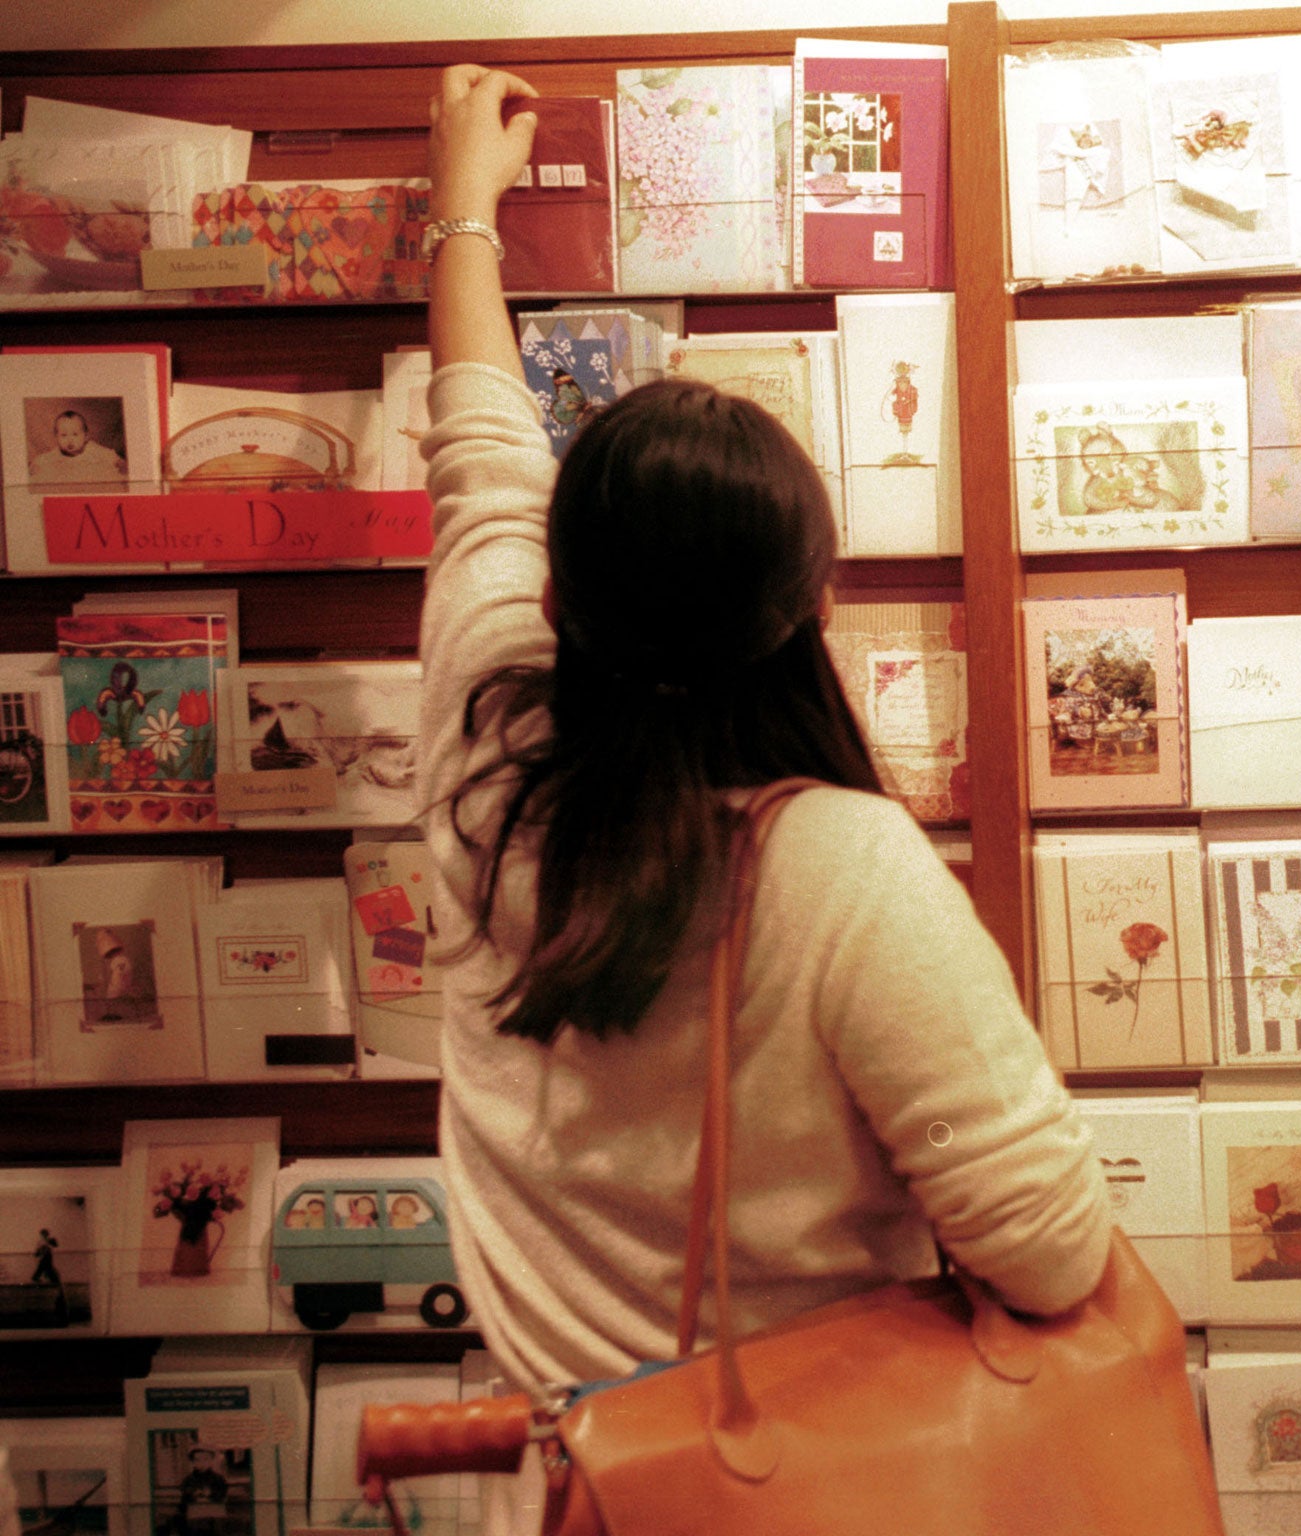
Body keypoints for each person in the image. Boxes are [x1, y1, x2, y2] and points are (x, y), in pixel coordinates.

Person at [416, 66, 1112, 1397]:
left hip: (585, 1476)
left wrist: (461, 210)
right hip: (805, 1474)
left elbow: (482, 460)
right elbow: (1051, 1253)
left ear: (557, 598)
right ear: (813, 610)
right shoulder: (838, 865)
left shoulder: (483, 755)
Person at [28, 408, 126, 485]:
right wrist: (35, 467)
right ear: (56, 437)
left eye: (75, 434)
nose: (70, 440)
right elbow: (41, 460)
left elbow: (111, 456)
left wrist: (119, 463)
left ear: (86, 436)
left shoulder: (92, 448)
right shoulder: (56, 453)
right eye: (63, 435)